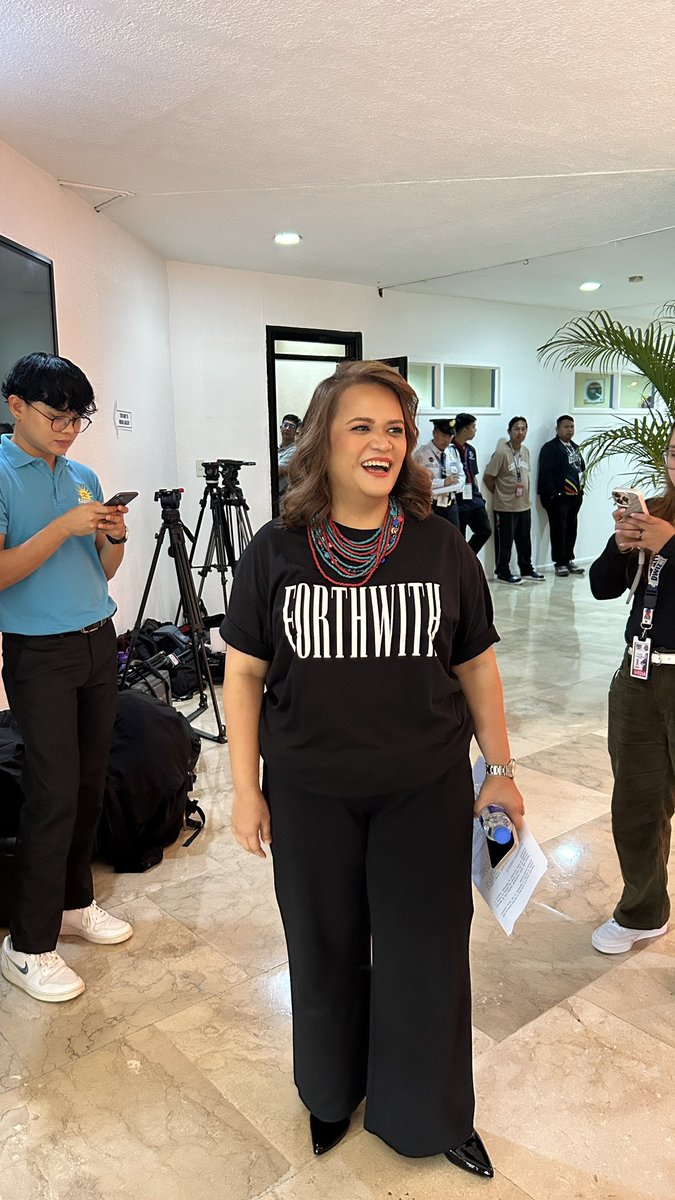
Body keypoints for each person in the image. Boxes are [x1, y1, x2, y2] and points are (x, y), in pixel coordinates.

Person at [221, 360, 524, 1176]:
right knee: (322, 948)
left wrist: (498, 767)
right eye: (361, 426)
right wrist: (246, 788)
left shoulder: (440, 545)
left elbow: (476, 666)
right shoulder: (274, 551)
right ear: (323, 441)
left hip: (421, 791)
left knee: (426, 954)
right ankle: (329, 1092)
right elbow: (243, 673)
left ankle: (428, 1111)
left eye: (394, 429)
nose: (382, 442)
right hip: (309, 792)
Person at [0, 353, 133, 1004]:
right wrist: (62, 527)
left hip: (97, 641)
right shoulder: (0, 472)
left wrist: (112, 533)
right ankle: (26, 945)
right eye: (57, 416)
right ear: (16, 405)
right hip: (38, 652)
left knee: (86, 782)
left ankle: (75, 902)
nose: (69, 430)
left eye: (78, 418)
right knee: (50, 794)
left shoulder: (82, 474)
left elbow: (103, 571)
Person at [588, 430, 675, 954]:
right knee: (638, 802)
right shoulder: (655, 511)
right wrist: (622, 549)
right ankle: (643, 912)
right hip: (640, 675)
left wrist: (672, 548)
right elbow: (602, 586)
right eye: (672, 450)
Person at [483, 417, 545, 584]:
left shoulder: (525, 451)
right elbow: (488, 477)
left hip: (524, 505)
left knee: (525, 541)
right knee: (505, 543)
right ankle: (503, 572)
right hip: (505, 507)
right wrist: (500, 493)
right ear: (509, 431)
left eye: (524, 429)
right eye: (517, 429)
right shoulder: (502, 453)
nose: (521, 432)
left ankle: (526, 568)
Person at [537, 415, 586, 576]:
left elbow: (582, 468)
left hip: (574, 497)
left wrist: (581, 490)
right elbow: (546, 472)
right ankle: (560, 562)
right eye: (566, 427)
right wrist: (553, 495)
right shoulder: (550, 448)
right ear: (557, 429)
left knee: (571, 529)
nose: (569, 430)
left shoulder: (575, 447)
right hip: (558, 498)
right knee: (559, 529)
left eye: (572, 426)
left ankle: (569, 559)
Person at [412, 417, 463, 528]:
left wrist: (459, 483)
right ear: (435, 433)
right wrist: (443, 483)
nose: (447, 440)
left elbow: (461, 475)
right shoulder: (421, 454)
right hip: (432, 506)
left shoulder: (453, 451)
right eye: (444, 436)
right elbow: (418, 483)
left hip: (451, 504)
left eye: (450, 436)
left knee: (454, 539)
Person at [452, 413, 491, 554]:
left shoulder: (471, 450)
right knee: (458, 538)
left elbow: (473, 475)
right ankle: (461, 567)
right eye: (473, 427)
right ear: (464, 429)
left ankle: (467, 558)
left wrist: (479, 495)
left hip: (473, 498)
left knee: (485, 530)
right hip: (458, 501)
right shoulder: (449, 449)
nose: (475, 430)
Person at [277, 412, 301, 497]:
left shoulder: (294, 450)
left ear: (296, 432)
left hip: (283, 497)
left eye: (291, 426)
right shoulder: (277, 449)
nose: (287, 428)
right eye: (285, 425)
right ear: (281, 427)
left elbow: (278, 472)